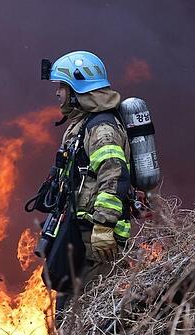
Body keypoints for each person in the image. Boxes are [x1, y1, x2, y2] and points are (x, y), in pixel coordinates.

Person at [43, 51, 132, 316]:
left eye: (62, 86)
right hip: (80, 233)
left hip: (97, 239)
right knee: (66, 306)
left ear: (77, 88)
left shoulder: (101, 129)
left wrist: (104, 227)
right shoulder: (82, 125)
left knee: (85, 315)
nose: (57, 93)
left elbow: (113, 175)